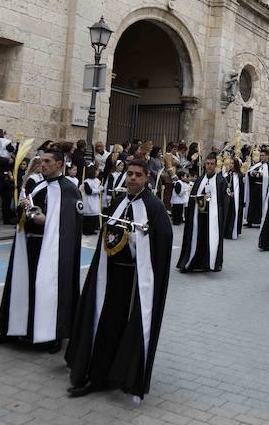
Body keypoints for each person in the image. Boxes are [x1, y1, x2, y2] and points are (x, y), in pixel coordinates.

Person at [65, 160, 173, 399]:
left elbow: (162, 243)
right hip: (110, 276)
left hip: (133, 282)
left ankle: (119, 374)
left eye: (137, 175)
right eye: (130, 174)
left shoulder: (153, 208)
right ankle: (97, 374)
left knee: (121, 327)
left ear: (146, 178)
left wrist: (138, 243)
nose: (132, 178)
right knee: (103, 324)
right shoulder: (119, 201)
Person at [0, 148, 82, 352]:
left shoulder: (69, 190)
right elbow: (29, 211)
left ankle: (52, 336)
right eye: (42, 160)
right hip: (28, 245)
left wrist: (44, 219)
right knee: (21, 286)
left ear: (59, 164)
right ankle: (11, 329)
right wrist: (24, 209)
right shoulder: (38, 185)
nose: (43, 164)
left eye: (48, 161)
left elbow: (69, 224)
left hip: (51, 250)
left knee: (48, 290)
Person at [177, 153, 227, 273]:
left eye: (212, 164)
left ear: (215, 165)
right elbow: (192, 197)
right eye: (208, 164)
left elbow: (224, 202)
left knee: (211, 238)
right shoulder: (200, 180)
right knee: (197, 238)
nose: (209, 166)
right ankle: (193, 262)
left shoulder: (221, 181)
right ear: (205, 165)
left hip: (213, 217)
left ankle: (211, 262)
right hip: (199, 216)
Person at [245, 149, 269, 228]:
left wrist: (262, 175)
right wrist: (253, 173)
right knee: (252, 203)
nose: (261, 157)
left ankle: (260, 221)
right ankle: (250, 221)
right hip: (255, 187)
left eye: (263, 156)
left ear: (267, 156)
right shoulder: (257, 164)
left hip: (263, 188)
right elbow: (249, 172)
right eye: (260, 155)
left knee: (261, 205)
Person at [222, 157, 244, 240]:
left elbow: (241, 189)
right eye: (230, 163)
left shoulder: (239, 176)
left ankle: (233, 231)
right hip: (227, 199)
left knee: (233, 214)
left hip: (236, 200)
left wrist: (235, 193)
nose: (230, 165)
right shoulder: (226, 175)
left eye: (232, 163)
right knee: (227, 214)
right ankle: (226, 231)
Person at [81, 165, 103, 236]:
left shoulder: (97, 181)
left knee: (94, 215)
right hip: (88, 200)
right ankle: (86, 230)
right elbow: (89, 191)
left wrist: (100, 189)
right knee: (88, 216)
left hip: (95, 200)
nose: (98, 172)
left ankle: (92, 229)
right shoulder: (86, 181)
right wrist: (98, 190)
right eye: (96, 171)